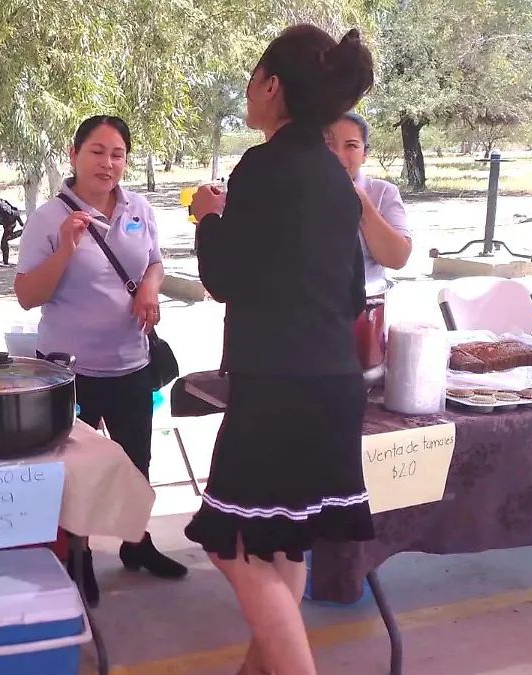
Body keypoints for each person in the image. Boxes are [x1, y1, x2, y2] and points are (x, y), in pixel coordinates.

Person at [186, 26, 375, 675]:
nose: (247, 90)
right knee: (283, 543)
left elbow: (224, 278)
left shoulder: (260, 167)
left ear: (271, 85)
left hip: (277, 389)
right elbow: (352, 295)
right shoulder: (336, 178)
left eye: (253, 77)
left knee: (231, 544)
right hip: (336, 385)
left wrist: (208, 218)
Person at [15, 115, 188, 607]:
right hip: (69, 371)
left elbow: (154, 261)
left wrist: (149, 288)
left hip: (131, 363)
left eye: (117, 154)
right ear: (74, 155)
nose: (107, 163)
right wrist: (66, 249)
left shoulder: (138, 208)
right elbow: (27, 295)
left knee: (136, 463)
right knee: (76, 470)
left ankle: (137, 541)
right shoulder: (49, 218)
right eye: (96, 151)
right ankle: (80, 554)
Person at [325, 112, 412, 289]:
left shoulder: (383, 193)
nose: (338, 155)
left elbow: (397, 259)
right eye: (328, 144)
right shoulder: (298, 192)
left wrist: (360, 201)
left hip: (368, 299)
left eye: (351, 146)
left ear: (364, 153)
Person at [0, 192, 24, 266]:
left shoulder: (3, 208)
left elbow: (15, 213)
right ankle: (5, 262)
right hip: (6, 225)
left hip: (10, 224)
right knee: (5, 241)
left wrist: (21, 223)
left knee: (4, 241)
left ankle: (21, 232)